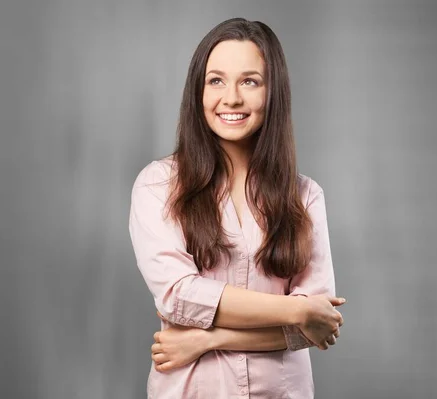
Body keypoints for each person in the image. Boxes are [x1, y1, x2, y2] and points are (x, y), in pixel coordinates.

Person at [128, 18, 345, 398]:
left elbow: (316, 326)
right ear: (198, 91)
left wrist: (207, 340)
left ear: (273, 92)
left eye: (250, 81)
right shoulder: (158, 185)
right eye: (216, 80)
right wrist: (296, 310)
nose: (231, 98)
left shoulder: (306, 196)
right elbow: (179, 296)